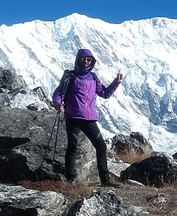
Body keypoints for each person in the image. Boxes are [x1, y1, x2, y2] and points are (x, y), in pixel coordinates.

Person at [52, 48, 124, 187]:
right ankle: (70, 178)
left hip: (89, 118)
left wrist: (116, 81)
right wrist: (57, 104)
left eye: (89, 59)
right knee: (72, 147)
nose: (87, 61)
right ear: (79, 60)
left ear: (92, 62)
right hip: (73, 117)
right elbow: (58, 93)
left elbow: (104, 93)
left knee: (101, 146)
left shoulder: (93, 77)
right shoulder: (70, 77)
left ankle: (105, 180)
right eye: (84, 59)